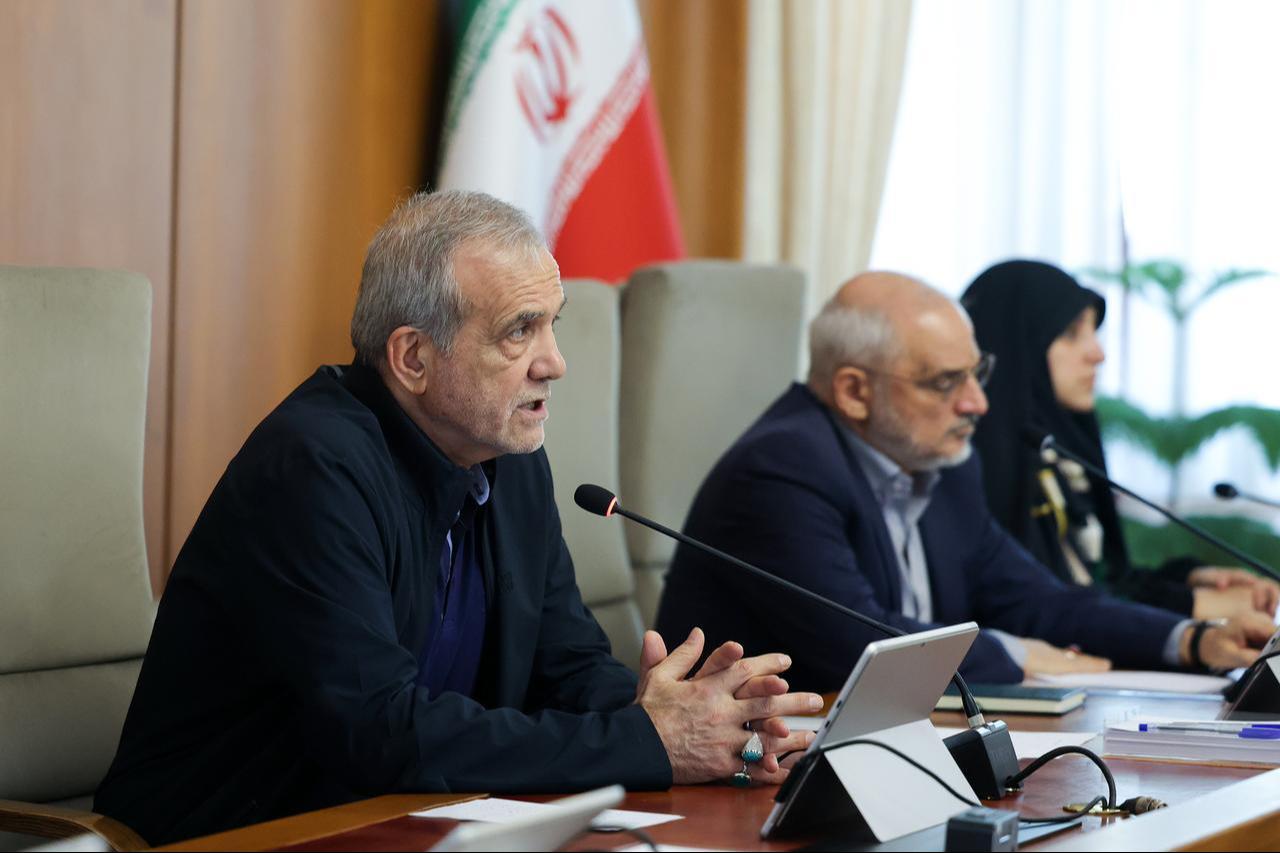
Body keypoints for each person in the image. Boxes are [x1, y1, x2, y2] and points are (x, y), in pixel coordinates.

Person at [94, 190, 819, 845]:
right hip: (244, 834)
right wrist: (645, 739)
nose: (555, 362)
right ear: (412, 356)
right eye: (519, 331)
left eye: (553, 326)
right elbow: (378, 729)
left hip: (410, 822)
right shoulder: (314, 467)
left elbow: (565, 667)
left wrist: (691, 714)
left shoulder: (510, 458)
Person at [655, 271, 1268, 693]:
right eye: (946, 382)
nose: (977, 403)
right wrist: (1017, 654)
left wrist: (1192, 640)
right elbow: (862, 644)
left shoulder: (942, 463)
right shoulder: (782, 467)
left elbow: (1038, 598)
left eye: (978, 374)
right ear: (853, 391)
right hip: (752, 773)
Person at [963, 260, 1279, 621]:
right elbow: (1037, 605)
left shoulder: (1061, 450)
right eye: (1070, 333)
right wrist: (1190, 610)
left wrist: (1192, 581)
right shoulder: (975, 466)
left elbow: (1098, 579)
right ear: (1017, 343)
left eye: (1094, 332)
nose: (1098, 353)